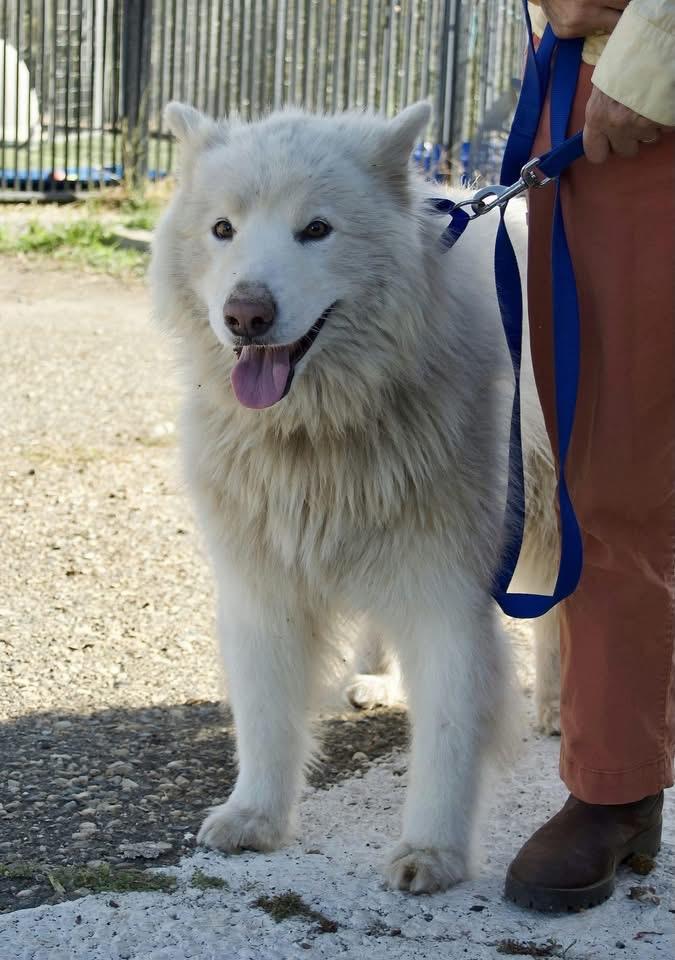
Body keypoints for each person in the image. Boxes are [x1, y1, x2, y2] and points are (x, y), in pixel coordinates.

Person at [505, 0, 675, 911]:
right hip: (604, 105)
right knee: (610, 463)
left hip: (639, 82)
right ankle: (617, 780)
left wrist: (657, 48)